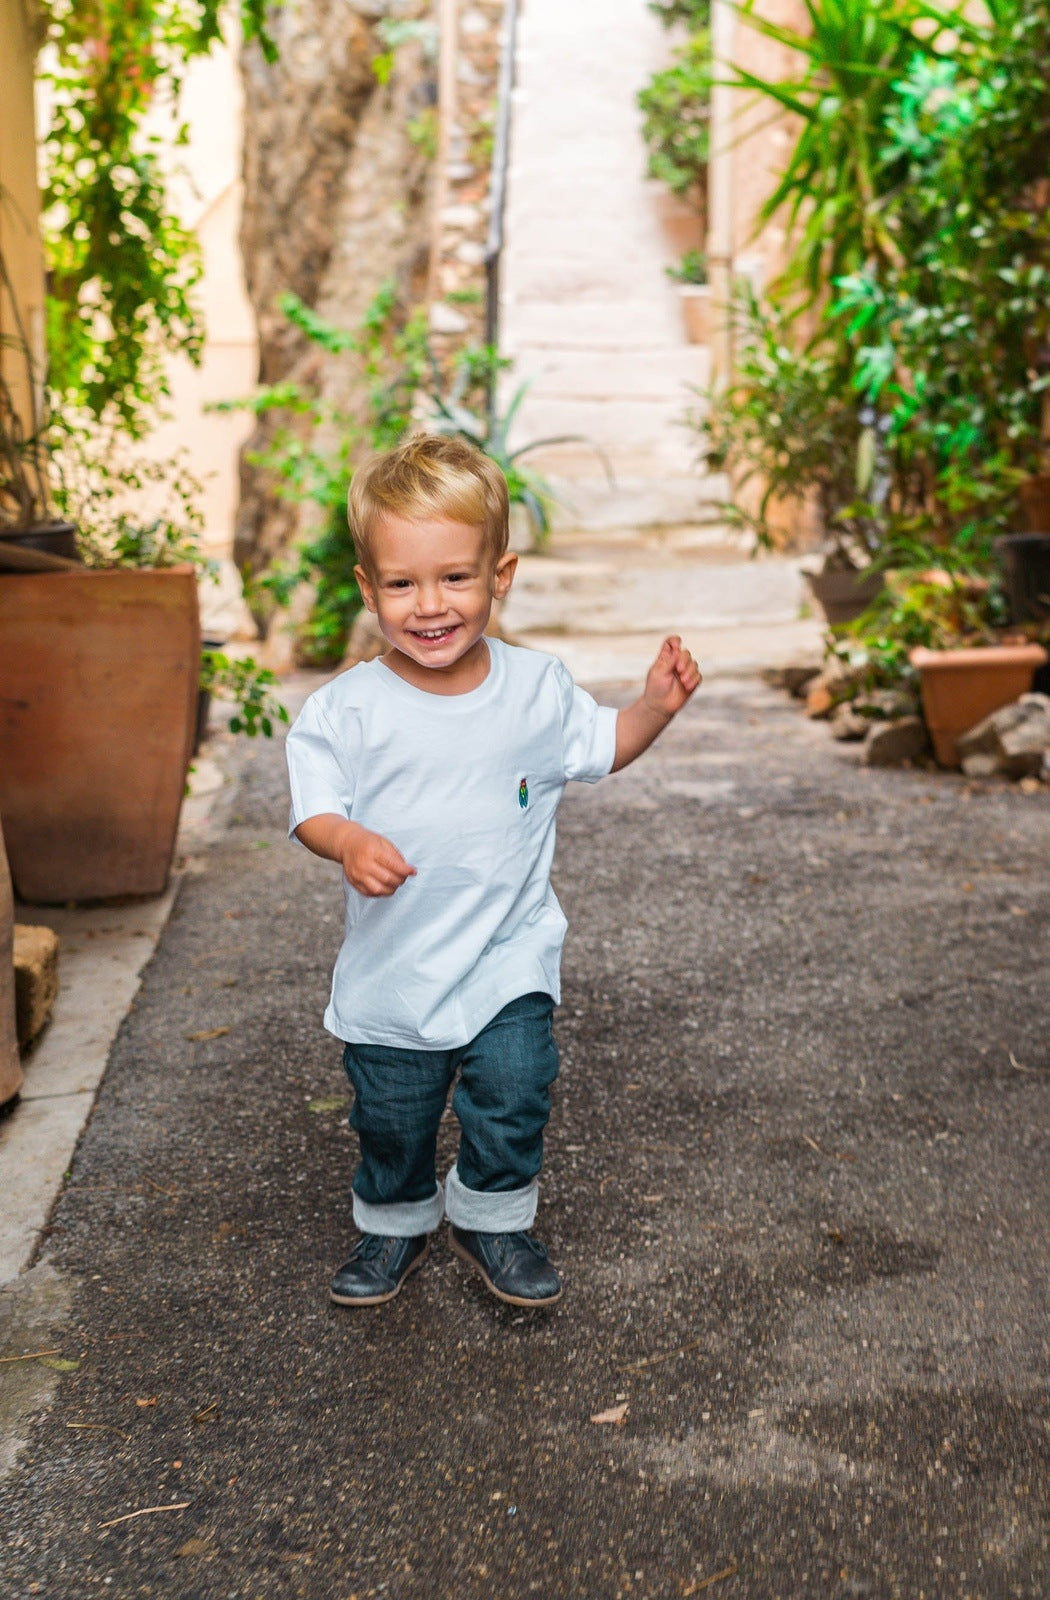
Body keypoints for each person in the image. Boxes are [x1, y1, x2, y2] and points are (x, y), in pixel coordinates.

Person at [285, 434, 701, 1309]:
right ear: (369, 589)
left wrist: (654, 708)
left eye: (455, 579)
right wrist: (346, 840)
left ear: (499, 576)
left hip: (508, 956)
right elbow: (313, 807)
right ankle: (393, 1225)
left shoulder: (535, 688)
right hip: (396, 970)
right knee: (390, 1119)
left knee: (514, 1094)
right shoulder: (348, 710)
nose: (429, 605)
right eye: (401, 584)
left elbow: (603, 746)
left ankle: (492, 1219)